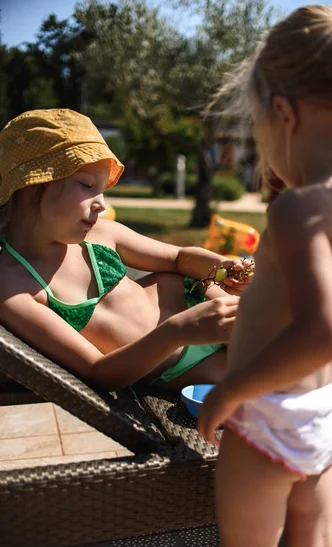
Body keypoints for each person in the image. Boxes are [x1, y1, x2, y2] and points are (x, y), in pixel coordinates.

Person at [197, 5, 332, 547]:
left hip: (266, 415)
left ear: (283, 111)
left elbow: (322, 332)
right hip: (324, 407)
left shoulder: (301, 208)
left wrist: (230, 392)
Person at [0, 108, 254, 392]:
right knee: (265, 384)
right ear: (30, 185)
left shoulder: (98, 235)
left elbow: (178, 258)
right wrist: (180, 331)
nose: (101, 204)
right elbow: (97, 372)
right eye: (87, 185)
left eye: (103, 190)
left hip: (200, 299)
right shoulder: (14, 287)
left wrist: (221, 267)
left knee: (290, 342)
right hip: (176, 359)